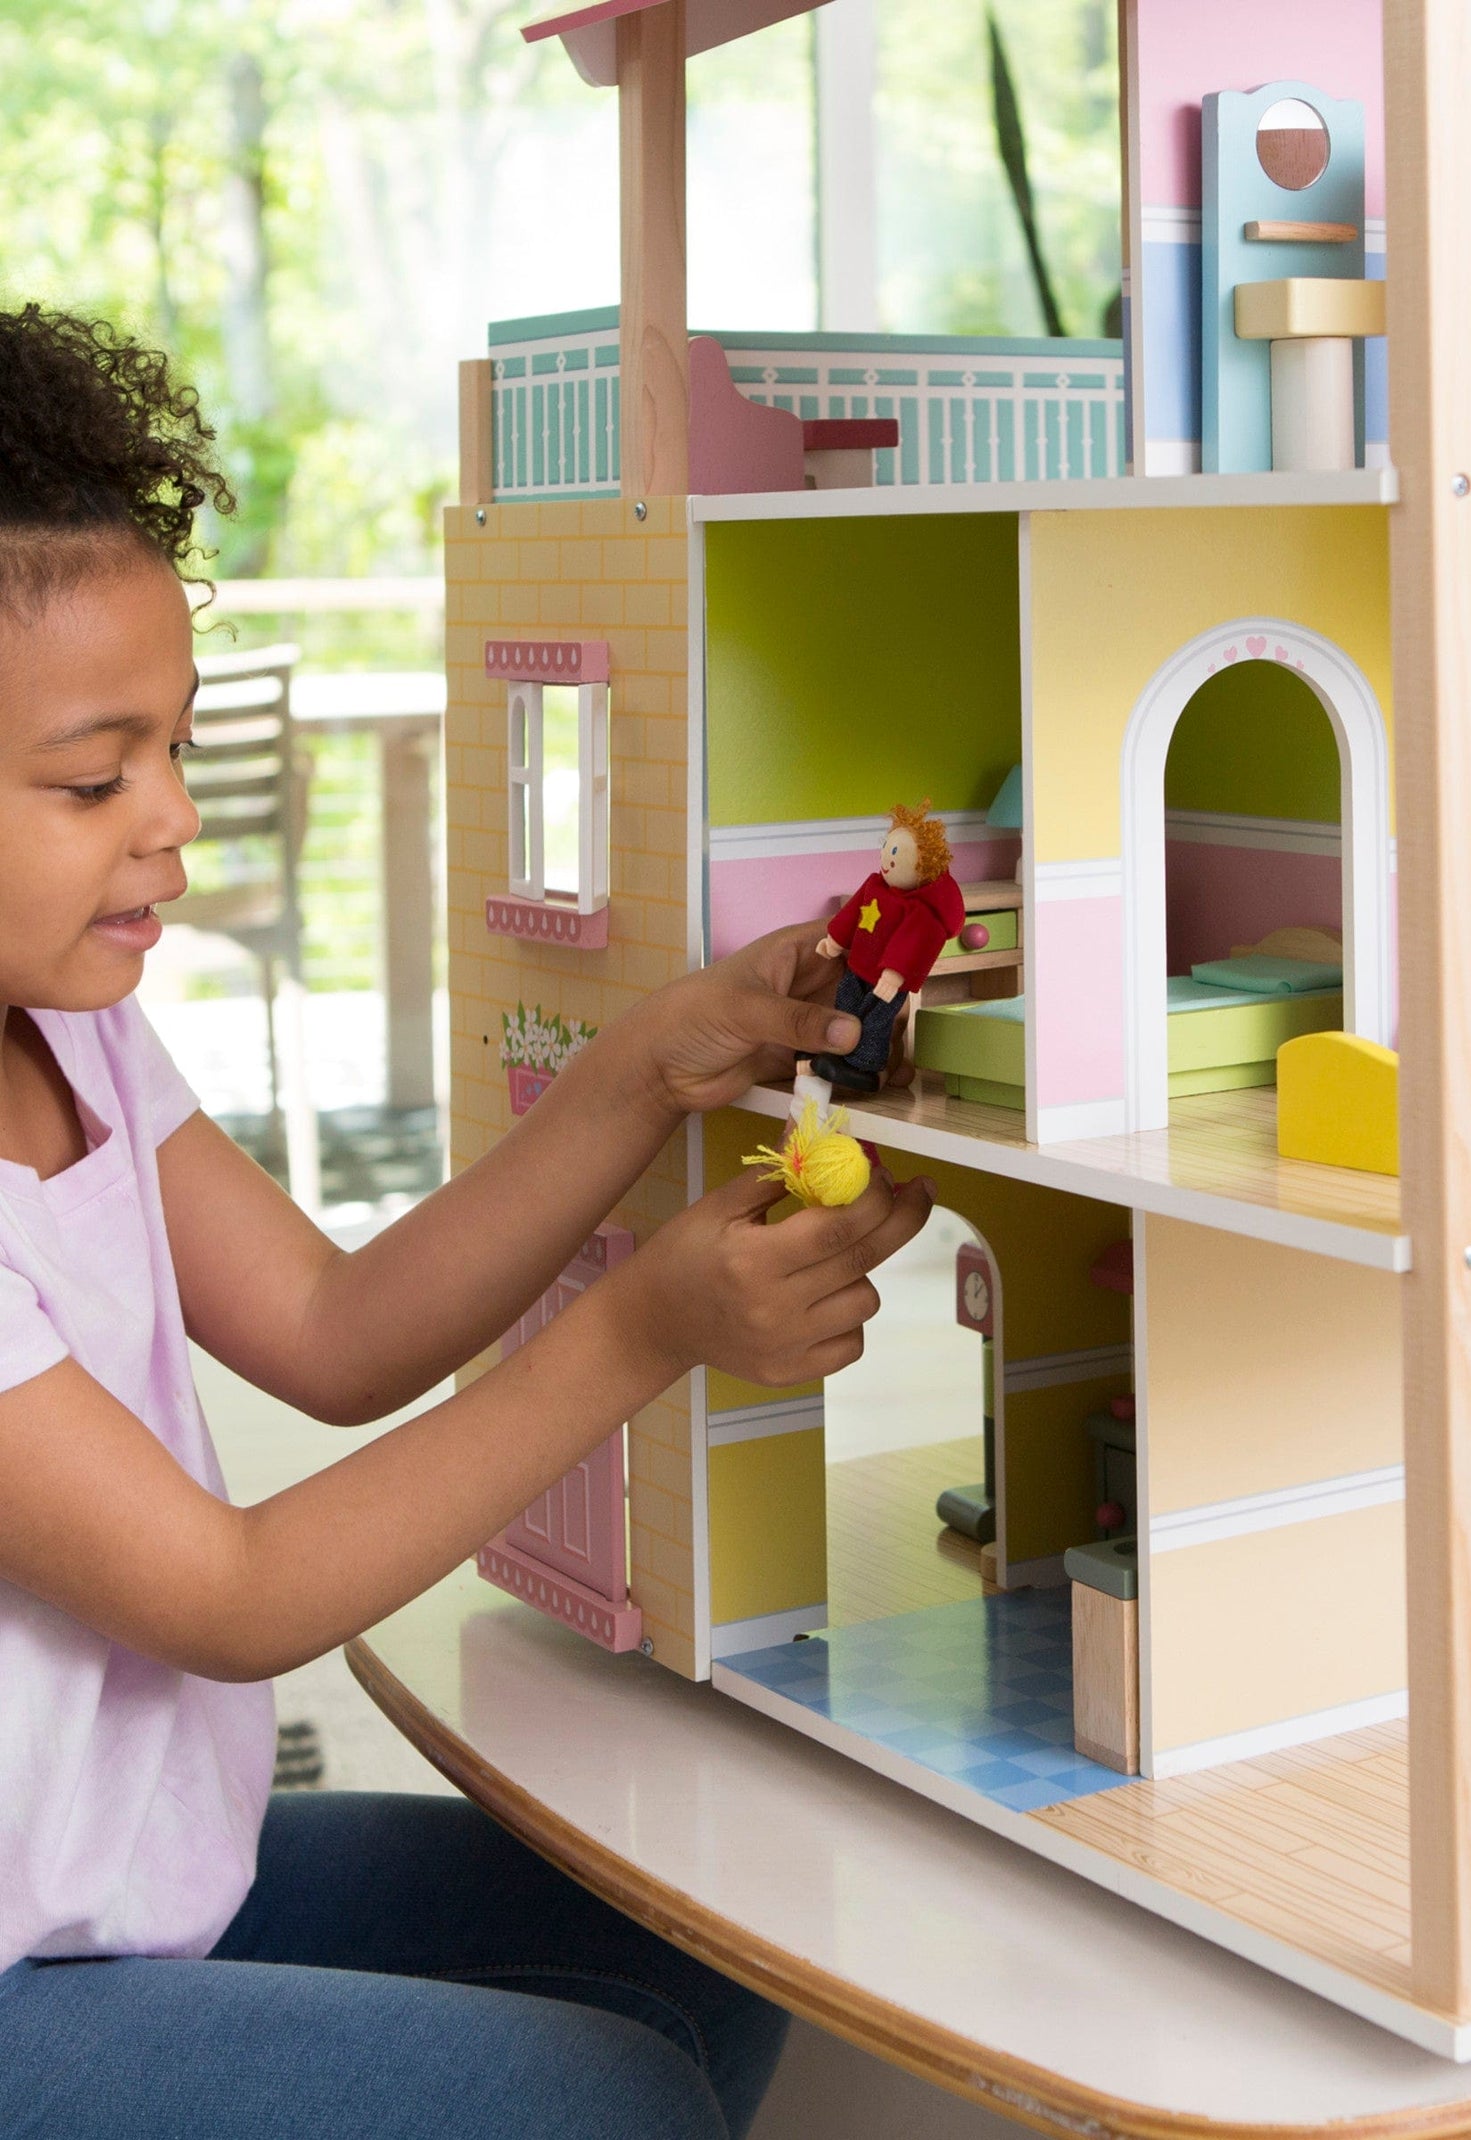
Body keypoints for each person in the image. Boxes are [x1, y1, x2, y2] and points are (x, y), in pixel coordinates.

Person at [0, 303, 934, 2139]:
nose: (176, 821)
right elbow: (231, 1594)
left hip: (127, 1883)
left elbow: (341, 1337)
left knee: (703, 1940)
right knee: (594, 2100)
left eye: (175, 749)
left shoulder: (79, 1042)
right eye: (94, 779)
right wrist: (644, 1327)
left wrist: (640, 1067)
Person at [807, 802, 965, 1092]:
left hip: (887, 979)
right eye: (886, 848)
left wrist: (895, 974)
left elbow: (913, 944)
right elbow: (854, 913)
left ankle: (867, 1065)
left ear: (923, 866)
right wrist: (835, 940)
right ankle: (841, 1051)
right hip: (858, 967)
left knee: (876, 1020)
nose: (885, 860)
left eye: (895, 853)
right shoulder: (875, 886)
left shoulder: (921, 912)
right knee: (846, 1000)